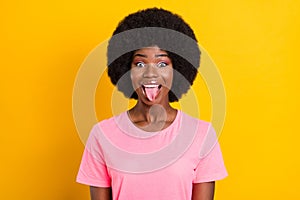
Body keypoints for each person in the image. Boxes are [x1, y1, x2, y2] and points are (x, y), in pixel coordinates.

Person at [76, 8, 227, 200]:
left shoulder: (201, 134)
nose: (150, 73)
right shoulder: (103, 134)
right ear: (126, 70)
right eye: (139, 64)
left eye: (162, 64)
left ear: (177, 70)